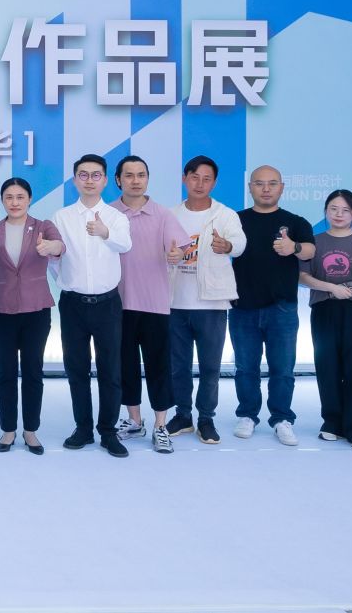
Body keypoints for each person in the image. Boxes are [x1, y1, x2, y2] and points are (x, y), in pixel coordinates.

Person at [49, 154, 133, 457]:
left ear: (106, 180)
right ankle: (83, 428)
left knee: (111, 369)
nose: (89, 180)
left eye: (95, 175)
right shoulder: (61, 217)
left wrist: (105, 232)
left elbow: (125, 245)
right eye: (83, 175)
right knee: (77, 368)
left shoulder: (115, 217)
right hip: (73, 303)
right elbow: (55, 259)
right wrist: (68, 282)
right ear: (74, 180)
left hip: (107, 304)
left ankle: (108, 431)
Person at [231, 164, 314, 447]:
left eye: (272, 183)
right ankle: (247, 415)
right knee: (245, 368)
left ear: (282, 187)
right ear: (250, 187)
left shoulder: (296, 221)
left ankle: (281, 418)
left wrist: (295, 248)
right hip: (242, 307)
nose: (266, 189)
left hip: (282, 308)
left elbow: (310, 250)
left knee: (283, 369)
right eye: (259, 183)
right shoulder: (236, 220)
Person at [109, 156, 188, 454]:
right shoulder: (108, 214)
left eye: (141, 175)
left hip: (155, 303)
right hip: (117, 303)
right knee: (125, 365)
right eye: (129, 175)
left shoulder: (162, 214)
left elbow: (179, 249)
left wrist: (176, 255)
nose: (135, 180)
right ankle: (134, 420)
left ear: (147, 179)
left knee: (158, 366)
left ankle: (160, 426)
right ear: (118, 180)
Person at [0, 178, 62, 453]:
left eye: (20, 197)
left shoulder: (43, 227)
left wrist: (50, 247)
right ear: (2, 200)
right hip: (0, 310)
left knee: (32, 371)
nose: (14, 202)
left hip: (36, 310)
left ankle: (30, 431)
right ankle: (8, 430)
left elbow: (59, 246)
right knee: (5, 373)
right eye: (9, 197)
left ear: (30, 199)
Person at [167, 157, 238, 445]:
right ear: (184, 178)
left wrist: (228, 245)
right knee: (178, 366)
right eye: (194, 177)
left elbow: (240, 243)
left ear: (214, 183)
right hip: (175, 303)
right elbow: (159, 250)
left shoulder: (225, 215)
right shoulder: (170, 215)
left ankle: (206, 419)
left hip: (211, 304)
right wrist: (168, 255)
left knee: (210, 367)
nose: (200, 183)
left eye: (206, 178)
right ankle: (183, 415)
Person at [301, 189, 352, 448]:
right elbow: (303, 277)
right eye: (333, 209)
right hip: (325, 309)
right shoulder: (315, 242)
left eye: (346, 210)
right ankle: (332, 422)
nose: (339, 214)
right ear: (326, 211)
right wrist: (331, 288)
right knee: (328, 368)